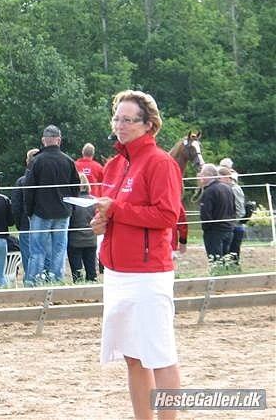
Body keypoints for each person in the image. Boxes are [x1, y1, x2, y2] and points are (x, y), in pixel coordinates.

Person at [91, 89, 182, 420]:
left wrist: (117, 210)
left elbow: (167, 216)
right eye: (117, 118)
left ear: (149, 125)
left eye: (128, 119)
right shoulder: (113, 165)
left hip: (148, 275)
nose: (120, 125)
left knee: (159, 355)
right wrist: (102, 222)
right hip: (117, 274)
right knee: (133, 356)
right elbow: (114, 212)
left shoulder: (161, 163)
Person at [23, 124, 80, 283]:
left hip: (41, 213)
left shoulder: (36, 161)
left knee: (37, 250)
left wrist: (29, 211)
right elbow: (75, 187)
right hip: (62, 213)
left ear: (43, 141)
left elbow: (29, 189)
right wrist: (70, 207)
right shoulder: (68, 161)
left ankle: (34, 281)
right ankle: (57, 280)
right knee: (59, 250)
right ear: (59, 140)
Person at [197, 163, 236, 264]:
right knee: (225, 261)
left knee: (215, 262)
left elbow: (206, 214)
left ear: (208, 175)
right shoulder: (228, 188)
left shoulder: (209, 191)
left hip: (215, 232)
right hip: (229, 230)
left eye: (202, 174)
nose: (199, 176)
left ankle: (218, 278)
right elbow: (233, 209)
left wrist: (206, 229)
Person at [11, 149, 38, 284]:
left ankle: (29, 281)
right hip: (42, 223)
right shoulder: (44, 181)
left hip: (25, 225)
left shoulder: (21, 181)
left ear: (27, 161)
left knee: (28, 256)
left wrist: (18, 223)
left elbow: (16, 206)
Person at [66, 173, 97, 282]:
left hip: (75, 240)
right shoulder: (94, 201)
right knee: (91, 271)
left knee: (77, 272)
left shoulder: (71, 202)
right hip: (91, 239)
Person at [219, 166, 246, 264]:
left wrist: (231, 222)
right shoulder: (226, 189)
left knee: (233, 254)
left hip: (235, 226)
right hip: (230, 225)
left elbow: (240, 210)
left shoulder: (235, 189)